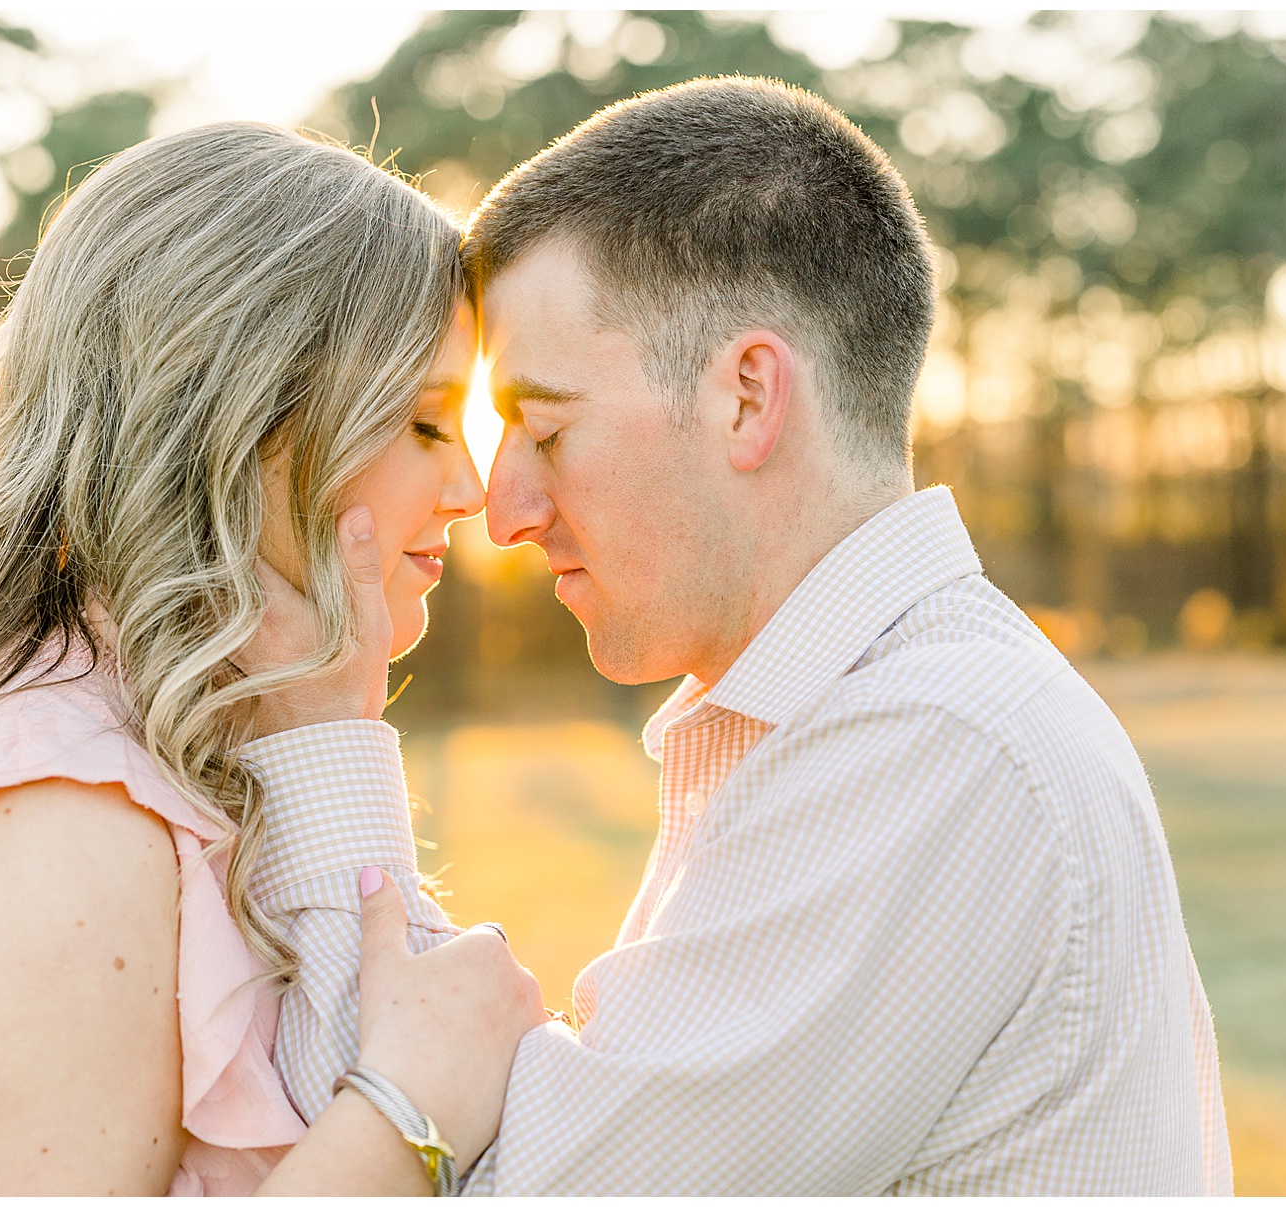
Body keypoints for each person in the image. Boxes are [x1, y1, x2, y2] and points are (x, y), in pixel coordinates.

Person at [245, 77, 1234, 1195]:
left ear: (748, 398)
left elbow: (494, 1186)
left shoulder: (929, 749)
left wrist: (320, 739)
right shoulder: (873, 719)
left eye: (545, 427)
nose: (506, 510)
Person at [0, 121, 542, 1196]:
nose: (471, 489)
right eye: (425, 423)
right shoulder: (54, 816)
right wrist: (412, 1115)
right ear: (238, 420)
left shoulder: (199, 756)